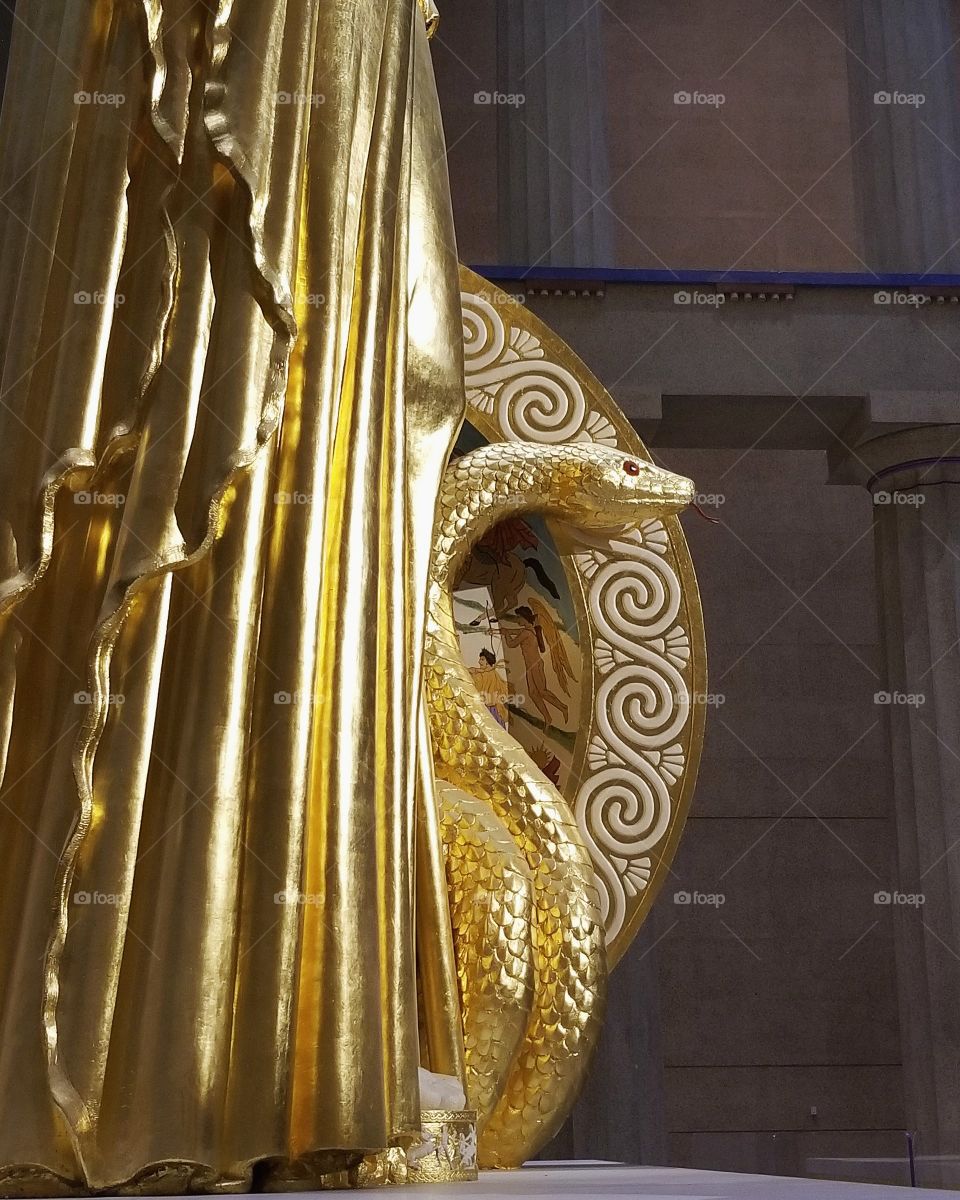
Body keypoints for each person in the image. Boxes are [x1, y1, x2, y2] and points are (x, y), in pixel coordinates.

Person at [0, 0, 462, 1190]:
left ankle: (265, 1074)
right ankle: (117, 1083)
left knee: (311, 482)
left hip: (345, 60)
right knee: (161, 410)